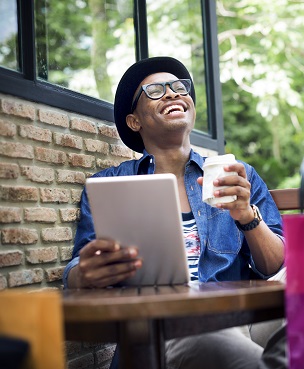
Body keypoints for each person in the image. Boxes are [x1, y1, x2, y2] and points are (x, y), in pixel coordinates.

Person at [62, 56, 287, 369]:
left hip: (245, 321)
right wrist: (82, 275)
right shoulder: (110, 184)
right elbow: (77, 266)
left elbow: (277, 265)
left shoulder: (238, 176)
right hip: (164, 330)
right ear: (134, 121)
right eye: (155, 91)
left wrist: (246, 216)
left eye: (179, 88)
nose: (172, 94)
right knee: (210, 334)